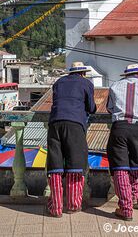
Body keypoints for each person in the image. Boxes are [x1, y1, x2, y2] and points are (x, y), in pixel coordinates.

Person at [47, 61, 96, 217]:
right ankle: (73, 205)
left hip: (55, 124)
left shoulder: (58, 82)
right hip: (74, 124)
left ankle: (56, 207)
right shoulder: (86, 83)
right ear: (83, 73)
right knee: (75, 165)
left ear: (70, 72)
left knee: (55, 166)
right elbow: (91, 107)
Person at [106, 63, 138, 221]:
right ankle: (132, 198)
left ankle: (126, 208)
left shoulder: (115, 86)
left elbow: (110, 108)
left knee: (120, 167)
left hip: (119, 128)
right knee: (137, 165)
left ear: (126, 75)